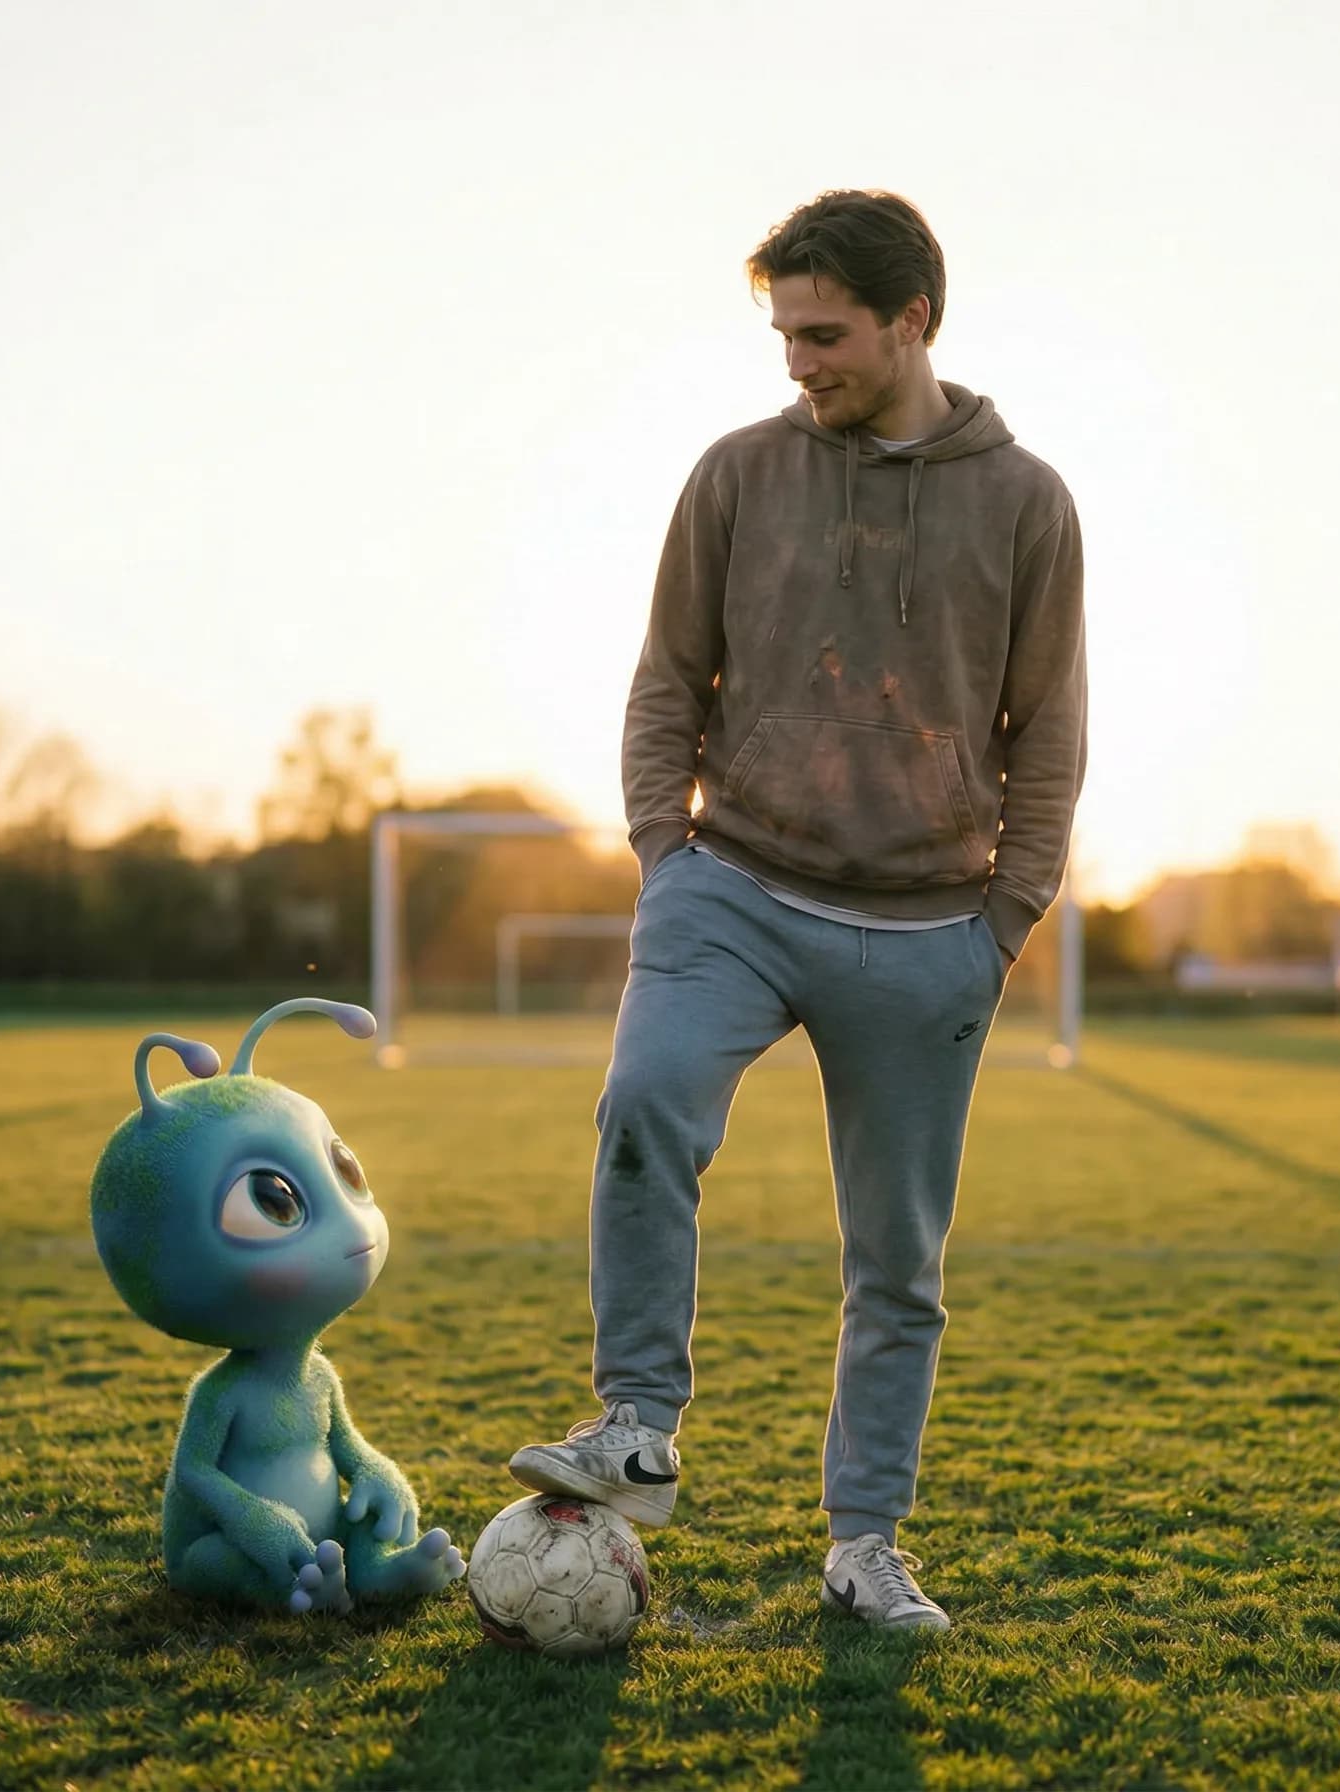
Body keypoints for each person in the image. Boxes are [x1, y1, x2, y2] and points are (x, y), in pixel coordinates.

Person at [509, 188, 1087, 1631]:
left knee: (898, 1263)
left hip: (930, 929)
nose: (798, 363)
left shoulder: (1028, 503)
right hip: (736, 888)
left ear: (914, 321)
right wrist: (666, 859)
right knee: (644, 1099)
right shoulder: (735, 476)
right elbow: (666, 680)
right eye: (783, 335)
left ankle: (864, 1547)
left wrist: (1004, 919)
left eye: (825, 335)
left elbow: (1050, 726)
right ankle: (635, 1424)